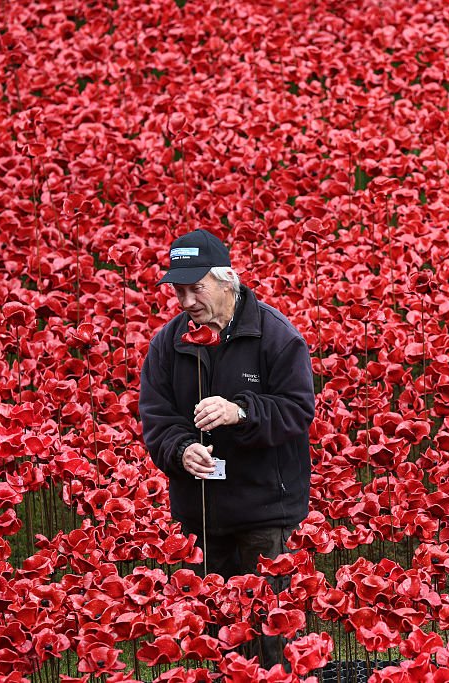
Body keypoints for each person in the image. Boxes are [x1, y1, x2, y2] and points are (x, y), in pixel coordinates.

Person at [138, 228, 314, 669]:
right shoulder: (167, 344)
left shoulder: (275, 337)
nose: (186, 302)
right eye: (179, 291)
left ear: (226, 281)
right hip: (200, 515)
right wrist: (181, 452)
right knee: (213, 637)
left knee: (268, 633)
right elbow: (157, 421)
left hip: (263, 513)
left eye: (196, 289)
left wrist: (242, 412)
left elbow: (297, 410)